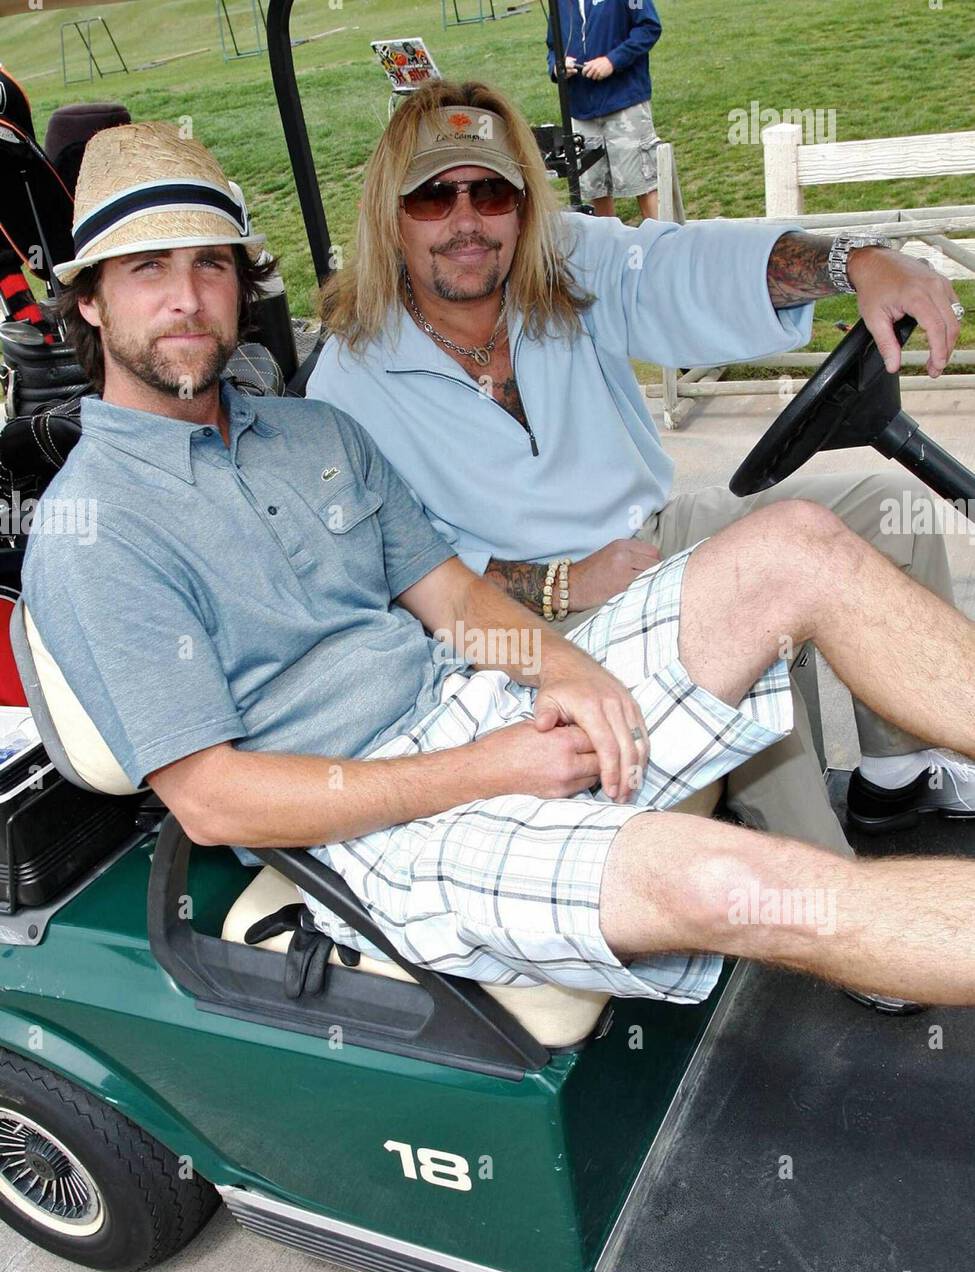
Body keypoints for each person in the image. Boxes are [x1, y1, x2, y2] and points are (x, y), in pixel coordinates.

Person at [22, 122, 975, 1010]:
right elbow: (215, 799)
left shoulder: (310, 430)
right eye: (147, 271)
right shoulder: (95, 529)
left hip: (478, 705)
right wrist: (487, 768)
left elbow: (451, 594)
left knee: (795, 542)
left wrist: (568, 671)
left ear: (241, 283)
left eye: (210, 266)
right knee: (729, 880)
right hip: (381, 823)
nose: (186, 298)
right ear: (93, 302)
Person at [307, 79, 973, 912]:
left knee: (881, 515)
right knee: (753, 614)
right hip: (524, 620)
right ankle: (836, 911)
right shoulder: (350, 381)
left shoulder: (565, 267)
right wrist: (561, 583)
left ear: (523, 205)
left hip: (655, 532)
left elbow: (688, 266)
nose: (467, 220)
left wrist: (854, 263)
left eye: (492, 192)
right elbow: (398, 574)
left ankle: (896, 773)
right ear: (389, 214)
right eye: (434, 197)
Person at [546, 0, 663, 218]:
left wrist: (613, 61)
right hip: (580, 109)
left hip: (624, 102)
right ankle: (607, 246)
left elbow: (648, 27)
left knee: (642, 183)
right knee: (594, 187)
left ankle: (662, 244)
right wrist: (556, 66)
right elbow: (553, 46)